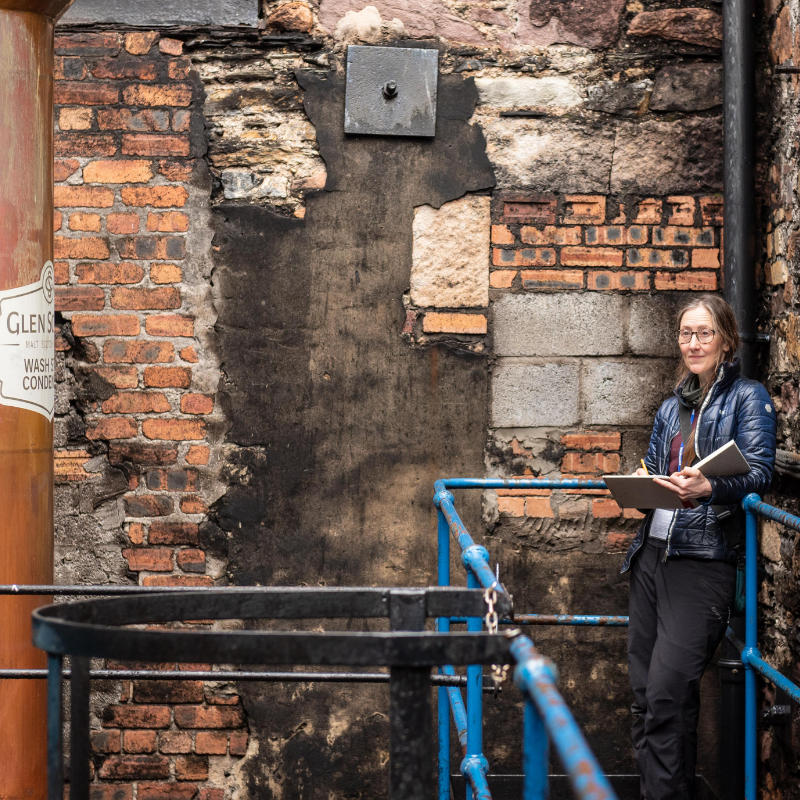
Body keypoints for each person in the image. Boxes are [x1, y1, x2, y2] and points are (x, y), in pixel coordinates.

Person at [620, 295, 777, 800]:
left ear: (726, 340)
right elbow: (651, 466)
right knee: (645, 696)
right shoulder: (672, 405)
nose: (693, 343)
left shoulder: (748, 398)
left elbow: (761, 473)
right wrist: (640, 486)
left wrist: (710, 488)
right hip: (652, 556)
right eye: (686, 334)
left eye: (704, 333)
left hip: (703, 560)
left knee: (667, 694)